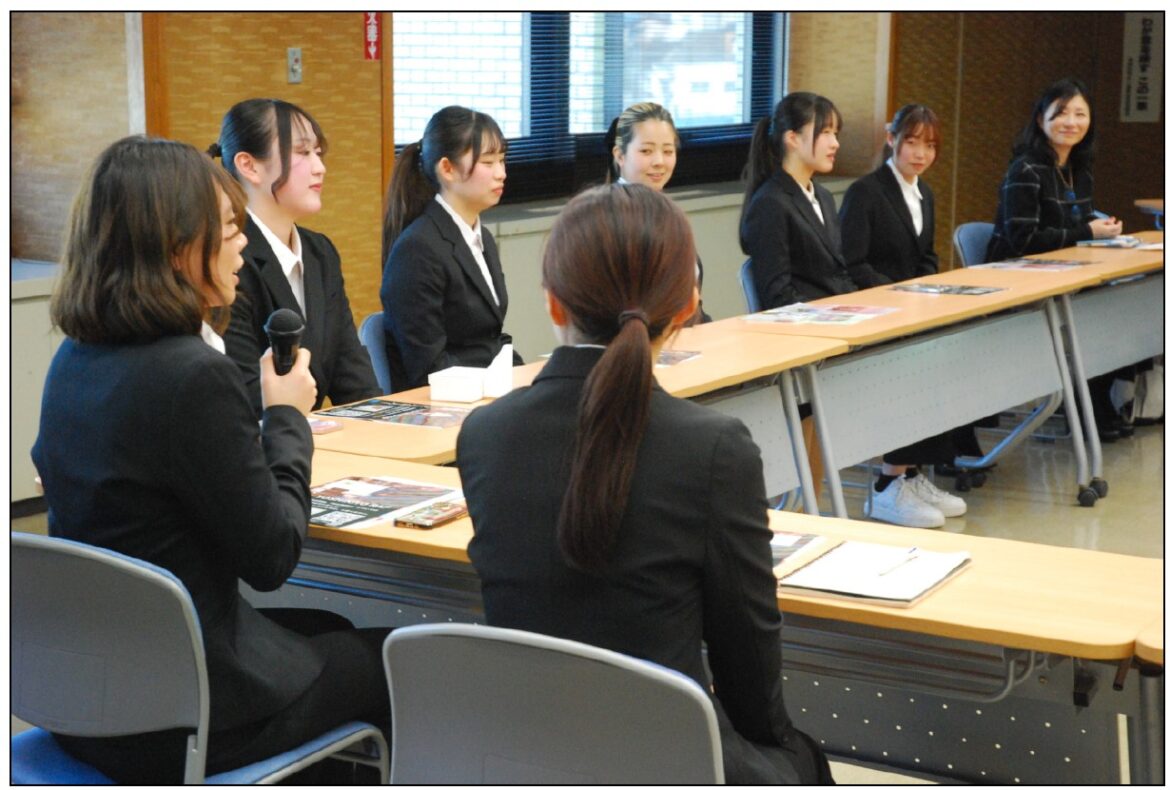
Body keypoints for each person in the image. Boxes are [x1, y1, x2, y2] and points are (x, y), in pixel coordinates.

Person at [32, 136, 390, 783]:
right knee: (394, 655)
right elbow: (273, 556)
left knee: (328, 625)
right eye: (229, 229)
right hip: (179, 721)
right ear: (178, 247)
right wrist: (285, 416)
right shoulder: (191, 375)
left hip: (84, 697)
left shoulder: (73, 361)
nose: (243, 248)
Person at [457, 184, 833, 785]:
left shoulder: (484, 434)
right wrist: (777, 748)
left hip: (525, 753)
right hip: (668, 756)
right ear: (688, 306)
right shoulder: (713, 448)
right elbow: (747, 650)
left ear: (552, 304)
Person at [838, 104, 968, 528]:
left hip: (912, 310)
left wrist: (927, 290)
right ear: (891, 138)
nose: (920, 153)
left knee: (946, 357)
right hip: (878, 312)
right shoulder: (866, 192)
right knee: (913, 369)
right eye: (911, 142)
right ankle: (888, 483)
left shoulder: (924, 192)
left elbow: (927, 255)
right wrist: (900, 296)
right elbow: (852, 263)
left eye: (929, 145)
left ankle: (912, 473)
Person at [212, 98, 380, 416]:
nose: (320, 167)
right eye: (303, 152)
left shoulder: (320, 253)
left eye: (318, 152)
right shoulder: (230, 258)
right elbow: (248, 395)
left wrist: (384, 425)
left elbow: (354, 378)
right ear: (249, 165)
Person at [987, 77, 1130, 440]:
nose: (1071, 122)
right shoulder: (1026, 169)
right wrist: (1086, 232)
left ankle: (1096, 404)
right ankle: (1086, 408)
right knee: (1097, 318)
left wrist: (1100, 227)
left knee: (1120, 309)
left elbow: (1075, 223)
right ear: (1041, 120)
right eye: (1061, 113)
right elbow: (1023, 242)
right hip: (1019, 281)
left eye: (1080, 114)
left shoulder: (1077, 169)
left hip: (1064, 277)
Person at [381, 105, 522, 392]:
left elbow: (491, 339)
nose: (501, 173)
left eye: (502, 160)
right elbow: (428, 368)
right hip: (439, 405)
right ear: (447, 168)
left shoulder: (480, 236)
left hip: (483, 396)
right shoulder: (417, 249)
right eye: (488, 162)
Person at [740, 91, 855, 309]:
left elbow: (840, 275)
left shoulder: (824, 197)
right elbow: (777, 295)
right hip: (804, 327)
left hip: (837, 316)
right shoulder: (770, 203)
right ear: (792, 138)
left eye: (835, 133)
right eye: (825, 132)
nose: (835, 143)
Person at [604, 101, 711, 323]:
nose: (659, 162)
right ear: (620, 155)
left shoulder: (668, 213)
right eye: (646, 151)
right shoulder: (605, 216)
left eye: (668, 151)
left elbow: (693, 303)